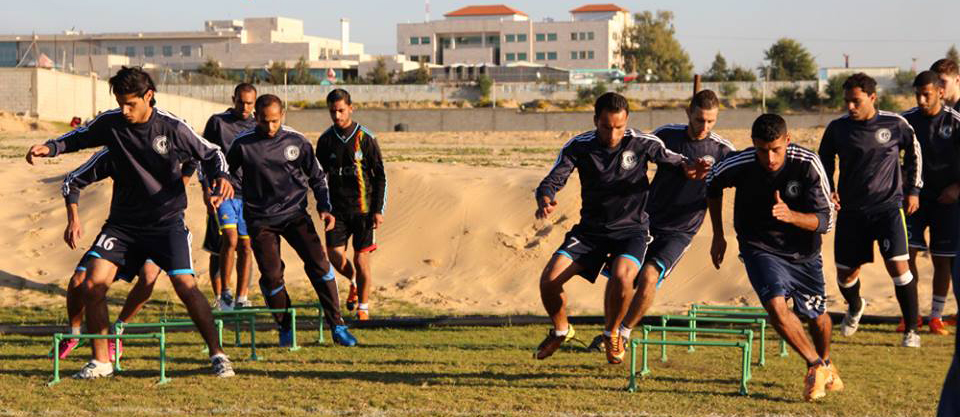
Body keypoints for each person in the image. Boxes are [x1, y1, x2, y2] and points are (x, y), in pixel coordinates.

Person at [25, 66, 235, 379]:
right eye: (120, 102)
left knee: (185, 286)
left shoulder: (172, 127)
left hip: (166, 223)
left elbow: (212, 153)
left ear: (148, 96)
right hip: (123, 226)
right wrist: (51, 147)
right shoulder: (112, 122)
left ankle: (218, 355)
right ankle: (101, 361)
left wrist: (221, 177)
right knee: (92, 284)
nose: (124, 110)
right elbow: (80, 137)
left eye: (131, 104)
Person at [533, 92, 707, 364]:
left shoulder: (642, 142)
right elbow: (552, 180)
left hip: (631, 231)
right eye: (606, 127)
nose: (613, 134)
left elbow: (676, 160)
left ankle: (612, 333)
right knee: (549, 280)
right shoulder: (579, 146)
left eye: (619, 127)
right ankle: (560, 330)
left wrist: (691, 168)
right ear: (595, 121)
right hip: (590, 232)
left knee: (623, 277)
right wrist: (545, 198)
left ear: (626, 122)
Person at [707, 113, 841, 401]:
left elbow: (826, 221)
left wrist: (792, 216)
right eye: (762, 150)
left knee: (817, 318)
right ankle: (815, 365)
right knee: (776, 307)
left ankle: (826, 362)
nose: (769, 158)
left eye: (776, 149)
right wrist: (718, 234)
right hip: (759, 247)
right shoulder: (740, 163)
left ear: (788, 140)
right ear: (754, 144)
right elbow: (712, 183)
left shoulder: (808, 164)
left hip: (804, 251)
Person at [226, 94, 357, 347]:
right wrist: (222, 188)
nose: (270, 127)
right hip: (260, 219)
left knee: (319, 264)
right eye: (265, 122)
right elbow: (225, 172)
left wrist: (324, 206)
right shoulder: (242, 144)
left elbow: (318, 177)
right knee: (272, 275)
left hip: (295, 215)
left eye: (275, 121)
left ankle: (338, 325)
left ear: (282, 115)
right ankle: (285, 326)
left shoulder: (297, 141)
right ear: (256, 118)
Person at [611, 90, 735, 344]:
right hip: (645, 221)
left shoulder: (722, 150)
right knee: (622, 276)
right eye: (700, 119)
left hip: (681, 230)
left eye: (711, 121)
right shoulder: (666, 135)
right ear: (688, 112)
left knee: (648, 277)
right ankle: (610, 330)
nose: (705, 126)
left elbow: (728, 191)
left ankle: (622, 334)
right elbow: (635, 157)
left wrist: (719, 236)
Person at [817, 73, 924, 347]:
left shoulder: (895, 124)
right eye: (847, 102)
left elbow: (914, 153)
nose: (850, 107)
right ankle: (855, 306)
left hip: (888, 208)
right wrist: (829, 189)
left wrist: (913, 190)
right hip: (852, 212)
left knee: (899, 268)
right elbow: (824, 160)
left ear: (872, 97)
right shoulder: (837, 129)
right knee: (846, 275)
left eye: (856, 101)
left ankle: (911, 329)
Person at [54, 148, 163, 359]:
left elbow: (199, 157)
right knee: (78, 281)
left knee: (149, 275)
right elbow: (72, 181)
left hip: (158, 231)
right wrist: (73, 220)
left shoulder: (167, 140)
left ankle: (118, 329)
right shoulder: (115, 151)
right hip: (120, 230)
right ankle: (74, 334)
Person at [315, 88, 387, 320]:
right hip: (337, 211)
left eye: (341, 111)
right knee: (335, 255)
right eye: (332, 112)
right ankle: (353, 280)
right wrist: (323, 206)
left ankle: (363, 308)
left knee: (361, 258)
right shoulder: (325, 140)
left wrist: (378, 210)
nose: (337, 116)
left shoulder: (365, 137)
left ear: (351, 108)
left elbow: (380, 176)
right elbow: (318, 177)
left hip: (364, 210)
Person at [901, 70, 960, 335]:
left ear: (940, 92)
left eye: (927, 94)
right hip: (914, 199)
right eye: (918, 95)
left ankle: (936, 316)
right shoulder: (906, 121)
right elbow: (892, 157)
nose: (922, 100)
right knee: (907, 256)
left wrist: (957, 188)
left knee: (942, 260)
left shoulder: (955, 120)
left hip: (946, 200)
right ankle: (911, 314)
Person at [199, 83, 258, 310]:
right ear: (233, 99)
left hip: (250, 197)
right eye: (240, 101)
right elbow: (202, 157)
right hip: (222, 194)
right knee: (227, 241)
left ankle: (241, 298)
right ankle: (224, 294)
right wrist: (206, 189)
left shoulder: (257, 124)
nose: (244, 107)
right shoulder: (218, 122)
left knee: (245, 246)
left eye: (249, 103)